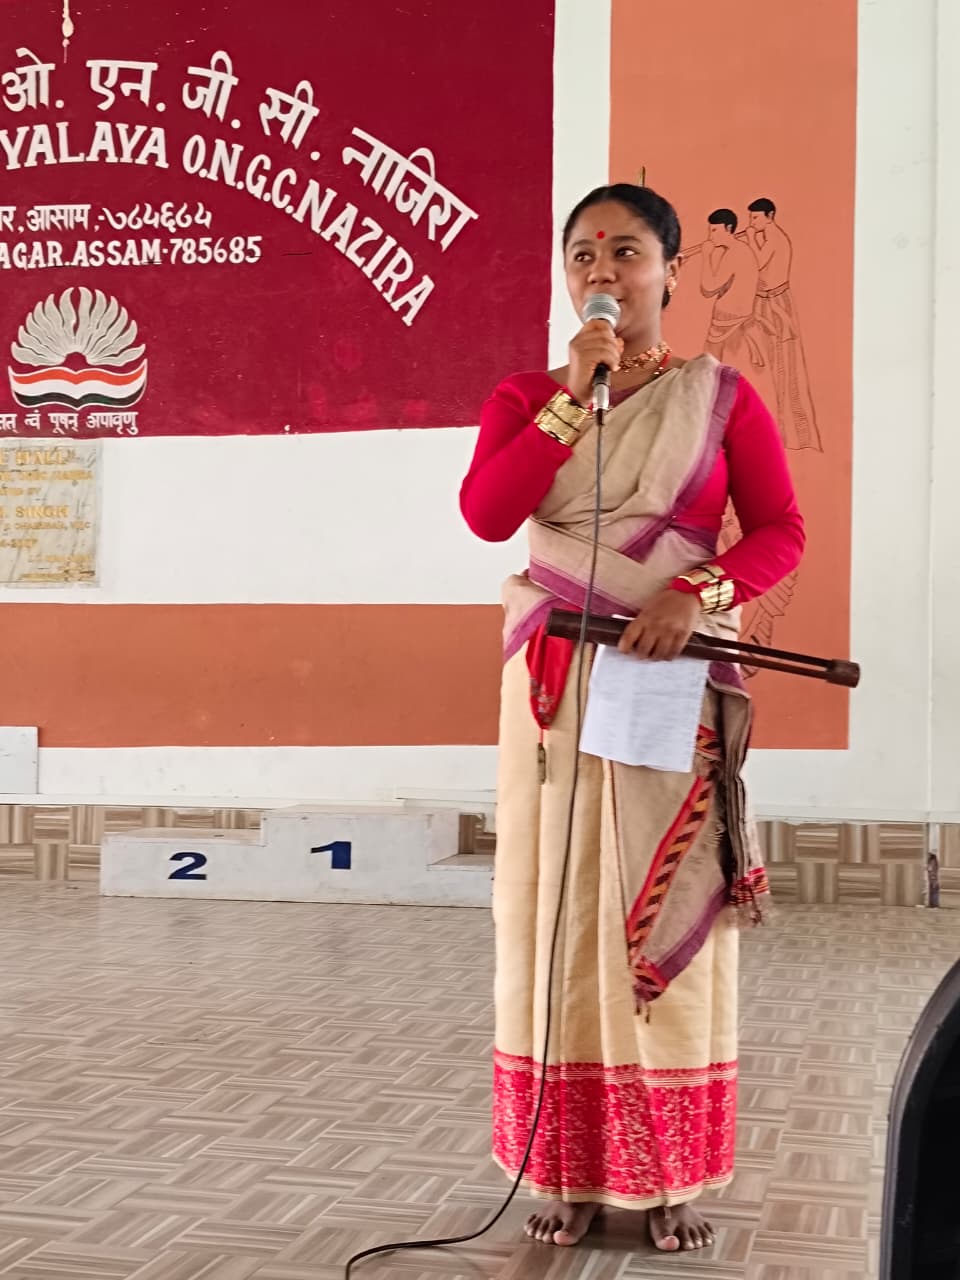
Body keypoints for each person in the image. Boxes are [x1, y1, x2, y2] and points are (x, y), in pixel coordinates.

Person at [459, 184, 805, 1252]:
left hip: (666, 676)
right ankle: (559, 1166)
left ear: (669, 269)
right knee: (558, 908)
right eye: (582, 254)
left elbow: (781, 529)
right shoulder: (528, 394)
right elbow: (488, 513)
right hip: (556, 687)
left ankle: (671, 1177)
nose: (601, 271)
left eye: (625, 252)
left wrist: (693, 593)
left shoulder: (720, 395)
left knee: (650, 901)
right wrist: (573, 398)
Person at [743, 197, 822, 451]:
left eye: (755, 218)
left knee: (784, 369)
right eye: (750, 218)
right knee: (768, 371)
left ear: (769, 216)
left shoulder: (775, 238)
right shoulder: (766, 237)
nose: (751, 223)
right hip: (765, 302)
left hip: (776, 304)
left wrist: (748, 240)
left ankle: (793, 437)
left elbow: (758, 264)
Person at [699, 208, 764, 369]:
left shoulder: (735, 253)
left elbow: (709, 287)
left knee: (709, 365)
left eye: (715, 230)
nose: (710, 236)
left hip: (729, 316)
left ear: (728, 228)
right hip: (742, 312)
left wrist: (706, 256)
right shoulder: (742, 249)